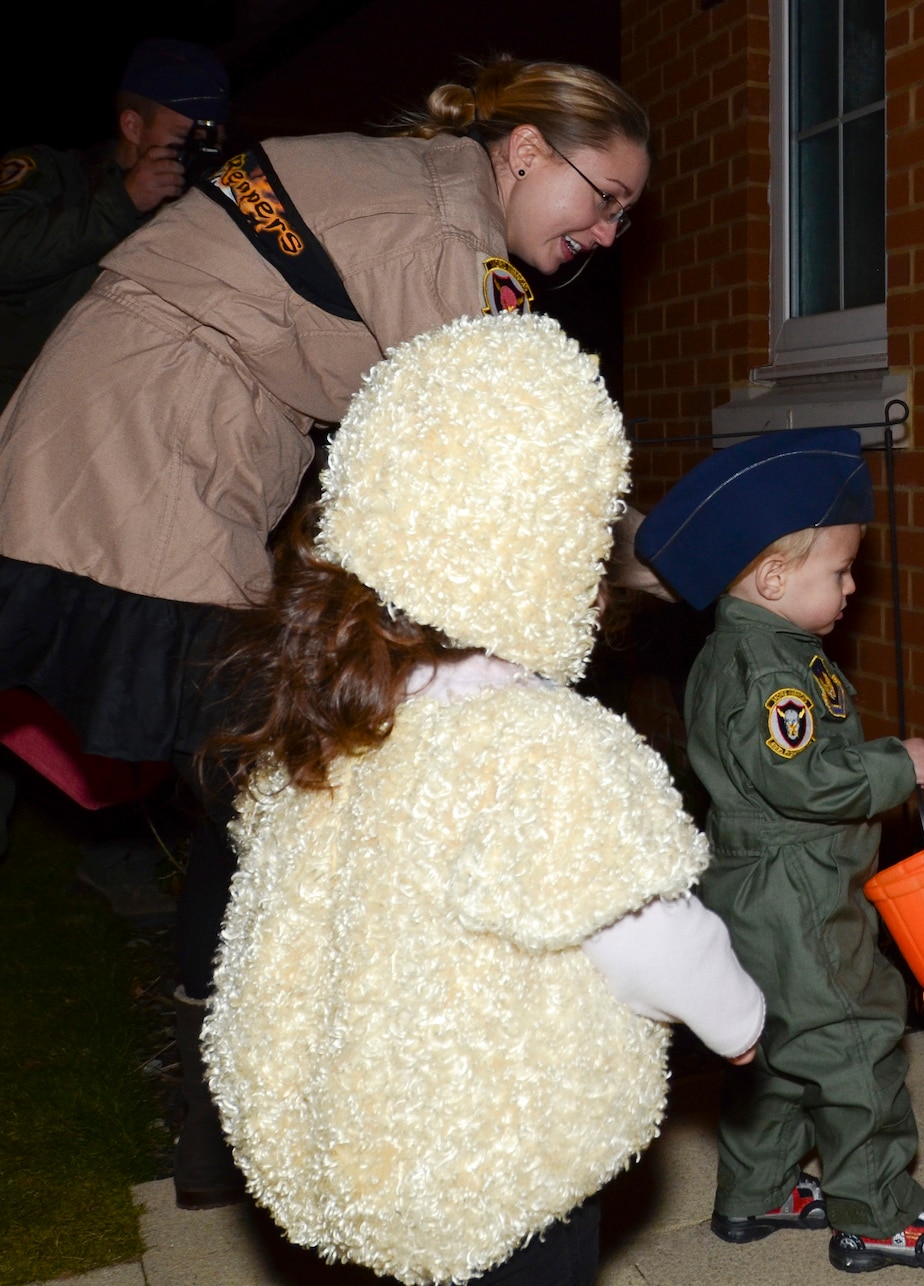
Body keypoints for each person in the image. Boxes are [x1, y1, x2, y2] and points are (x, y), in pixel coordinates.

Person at [0, 55, 653, 1209]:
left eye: (625, 213)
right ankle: (242, 1092)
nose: (607, 229)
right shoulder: (439, 244)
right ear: (524, 152)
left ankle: (222, 1101)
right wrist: (669, 554)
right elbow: (508, 451)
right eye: (599, 196)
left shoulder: (429, 196)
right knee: (275, 779)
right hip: (143, 461)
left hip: (144, 450)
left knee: (262, 780)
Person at [201, 312, 765, 1286]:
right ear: (532, 549)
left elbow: (273, 919)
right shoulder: (547, 748)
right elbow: (643, 930)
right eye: (587, 537)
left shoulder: (338, 721)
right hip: (501, 1161)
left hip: (365, 1150)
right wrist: (738, 1019)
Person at [636, 429, 924, 1275]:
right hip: (795, 887)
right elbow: (803, 779)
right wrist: (894, 763)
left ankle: (755, 1191)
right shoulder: (770, 674)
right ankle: (879, 1211)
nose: (852, 585)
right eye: (839, 571)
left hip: (764, 884)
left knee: (779, 1037)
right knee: (856, 1034)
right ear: (772, 577)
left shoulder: (776, 650)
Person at [0, 37, 229, 410]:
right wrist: (123, 202)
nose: (192, 157)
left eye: (209, 144)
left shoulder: (195, 211)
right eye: (181, 141)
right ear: (133, 127)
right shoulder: (53, 175)